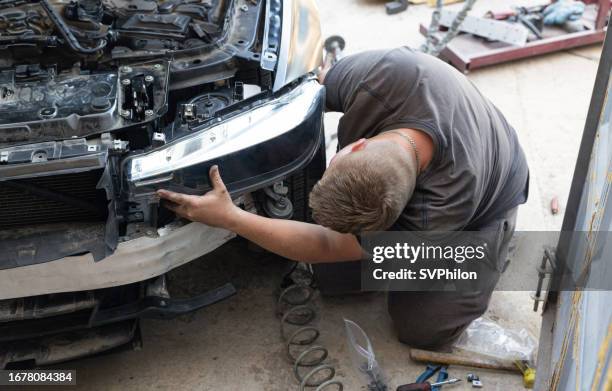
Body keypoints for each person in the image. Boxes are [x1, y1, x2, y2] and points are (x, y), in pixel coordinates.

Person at [157, 47, 529, 350]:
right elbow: (307, 86)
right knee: (335, 278)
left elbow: (323, 243)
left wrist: (231, 218)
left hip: (486, 207)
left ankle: (492, 251)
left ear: (357, 145)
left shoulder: (442, 210)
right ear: (359, 145)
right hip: (452, 127)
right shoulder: (384, 74)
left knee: (422, 330)